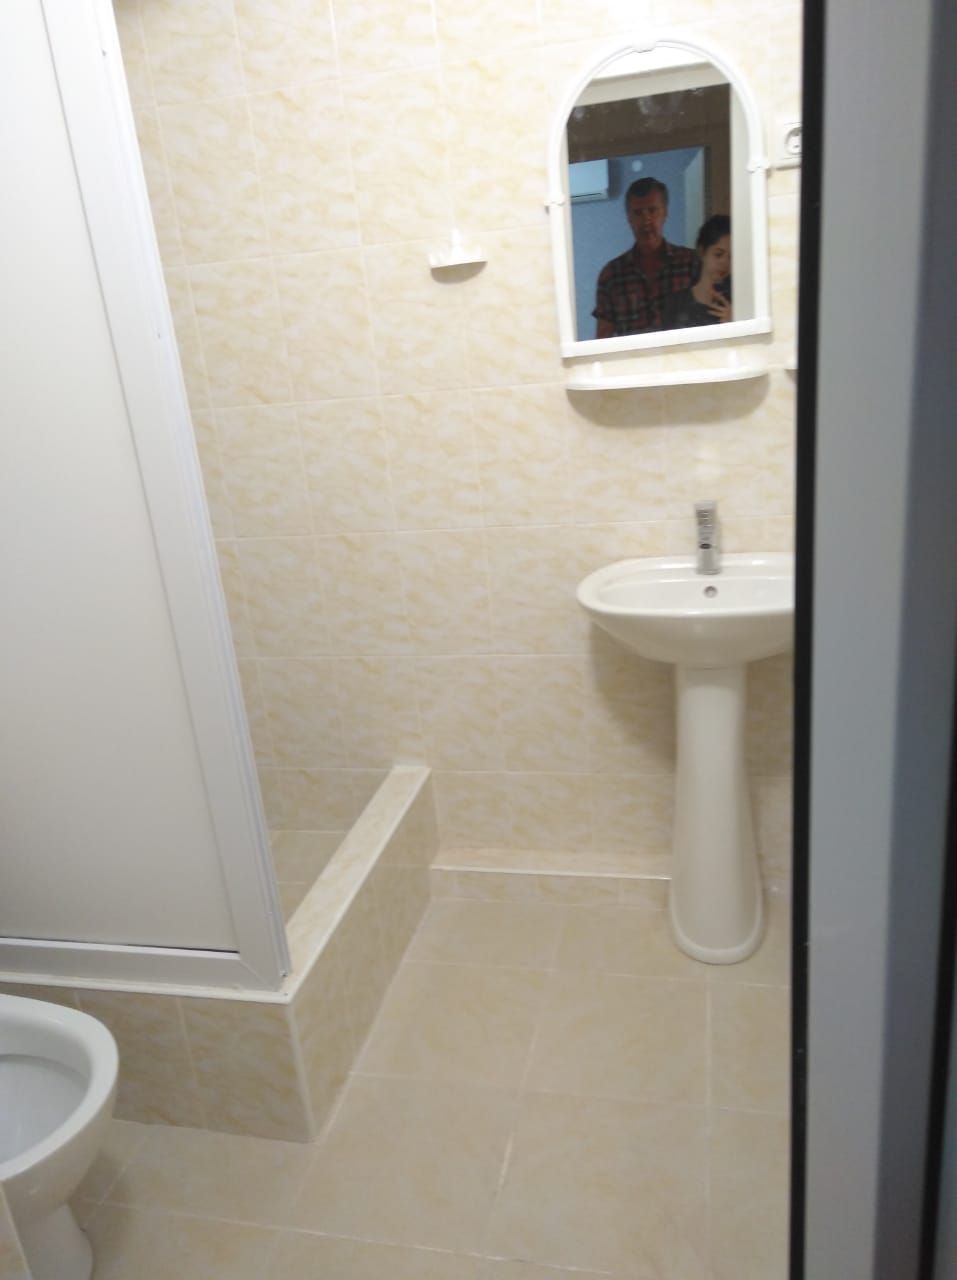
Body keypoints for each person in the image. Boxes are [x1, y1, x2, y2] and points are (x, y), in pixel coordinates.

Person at [592, 177, 696, 337]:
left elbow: (713, 318)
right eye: (638, 213)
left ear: (665, 212)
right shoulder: (611, 276)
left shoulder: (691, 263)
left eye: (652, 210)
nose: (646, 220)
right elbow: (603, 338)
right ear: (629, 218)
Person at [661, 215, 733, 330]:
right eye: (718, 255)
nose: (724, 263)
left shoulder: (736, 303)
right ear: (702, 252)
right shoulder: (676, 304)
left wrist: (735, 322)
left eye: (731, 257)